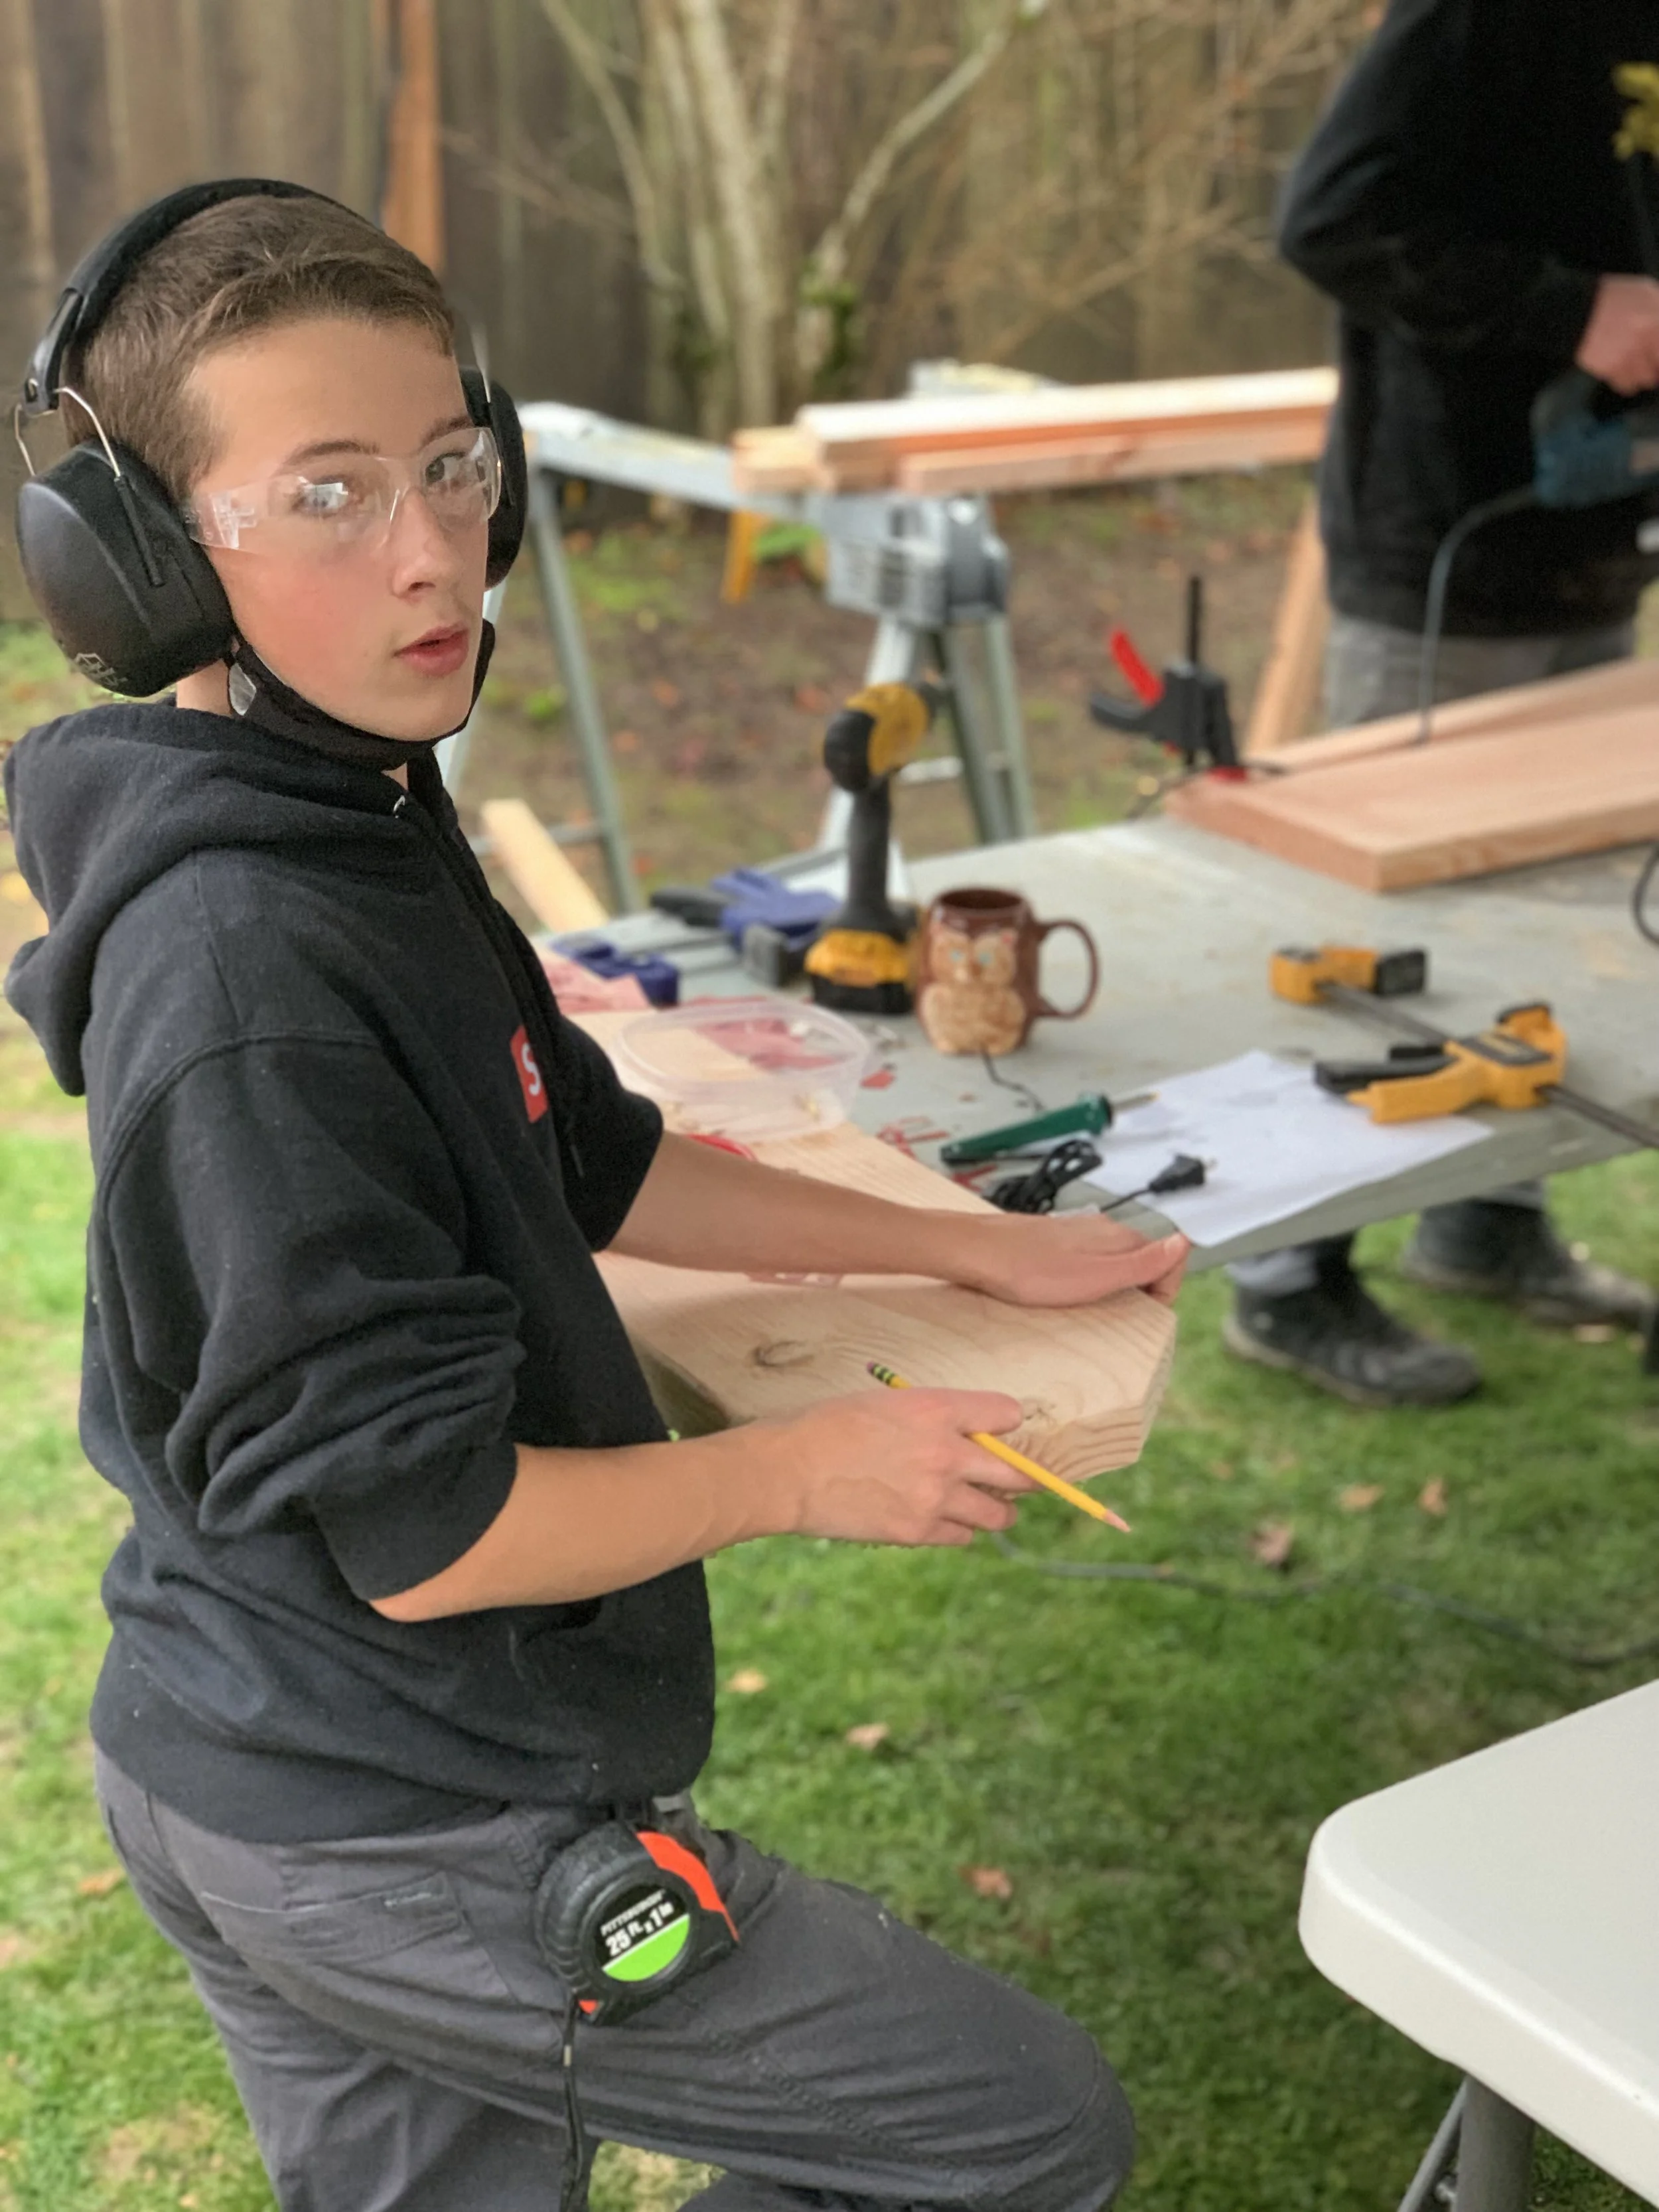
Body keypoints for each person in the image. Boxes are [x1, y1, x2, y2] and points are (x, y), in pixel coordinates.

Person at [5, 184, 1187, 2212]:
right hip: (399, 1814)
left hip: (233, 1742)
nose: (431, 548)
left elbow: (584, 1147)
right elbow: (431, 1532)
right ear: (148, 569)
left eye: (452, 466)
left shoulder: (352, 804)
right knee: (1008, 2135)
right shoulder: (253, 973)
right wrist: (804, 1465)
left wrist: (958, 1241)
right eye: (327, 493)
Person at [1224, 0, 1659, 1408]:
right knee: (1381, 933)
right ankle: (1286, 1278)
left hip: (1590, 531)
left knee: (1542, 911)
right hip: (1441, 536)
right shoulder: (1476, 17)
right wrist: (1571, 309)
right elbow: (1331, 220)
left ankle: (1487, 1218)